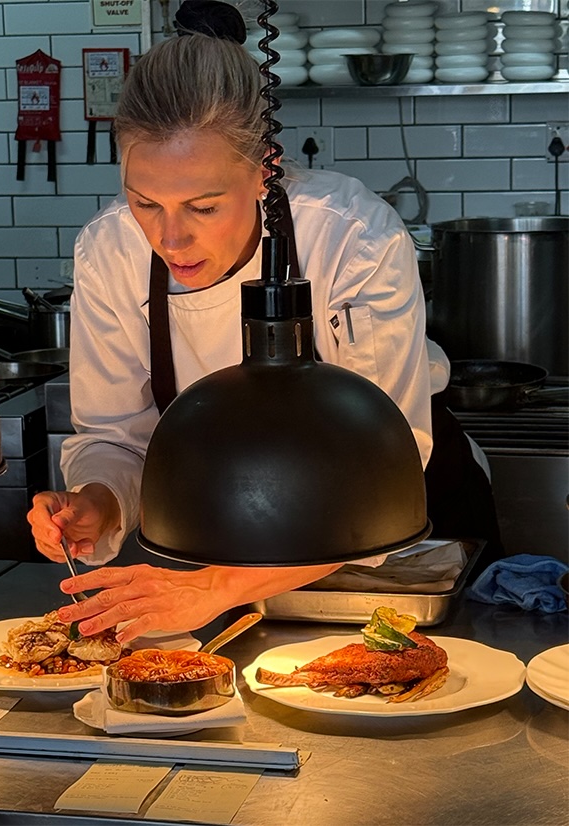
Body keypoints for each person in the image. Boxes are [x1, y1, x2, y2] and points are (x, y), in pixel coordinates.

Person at [28, 0, 500, 643]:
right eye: (144, 202)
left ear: (263, 172)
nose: (171, 236)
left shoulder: (352, 238)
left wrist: (217, 586)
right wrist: (99, 500)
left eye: (203, 205)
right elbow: (119, 435)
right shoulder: (110, 253)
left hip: (405, 558)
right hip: (212, 558)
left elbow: (378, 466)